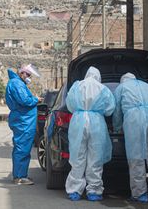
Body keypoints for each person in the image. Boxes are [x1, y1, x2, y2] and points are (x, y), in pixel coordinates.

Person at [112, 73, 148, 204]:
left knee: (136, 158)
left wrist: (117, 127)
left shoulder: (121, 88)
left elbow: (117, 112)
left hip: (134, 119)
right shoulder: (147, 86)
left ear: (123, 81)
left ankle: (140, 194)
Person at [65, 67, 115, 201]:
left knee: (77, 157)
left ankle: (74, 191)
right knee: (95, 158)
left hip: (78, 122)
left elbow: (69, 105)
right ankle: (94, 191)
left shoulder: (77, 86)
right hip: (96, 123)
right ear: (98, 77)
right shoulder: (103, 89)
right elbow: (110, 109)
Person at [5, 64, 42, 185]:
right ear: (22, 73)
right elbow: (24, 100)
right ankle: (20, 177)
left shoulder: (17, 83)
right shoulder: (17, 84)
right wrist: (36, 100)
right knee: (22, 148)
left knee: (23, 148)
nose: (29, 77)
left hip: (23, 119)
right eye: (28, 75)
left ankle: (21, 175)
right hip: (23, 120)